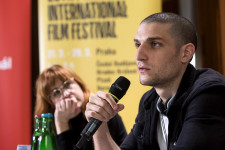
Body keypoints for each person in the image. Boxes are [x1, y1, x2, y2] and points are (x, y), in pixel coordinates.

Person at [85, 12, 225, 150]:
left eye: (155, 44)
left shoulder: (210, 92)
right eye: (137, 44)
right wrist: (100, 127)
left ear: (186, 53)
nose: (139, 56)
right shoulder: (150, 101)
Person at [34, 64, 127, 150]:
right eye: (56, 92)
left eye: (67, 84)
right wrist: (61, 124)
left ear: (79, 84)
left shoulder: (103, 111)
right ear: (50, 102)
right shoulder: (48, 128)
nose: (66, 94)